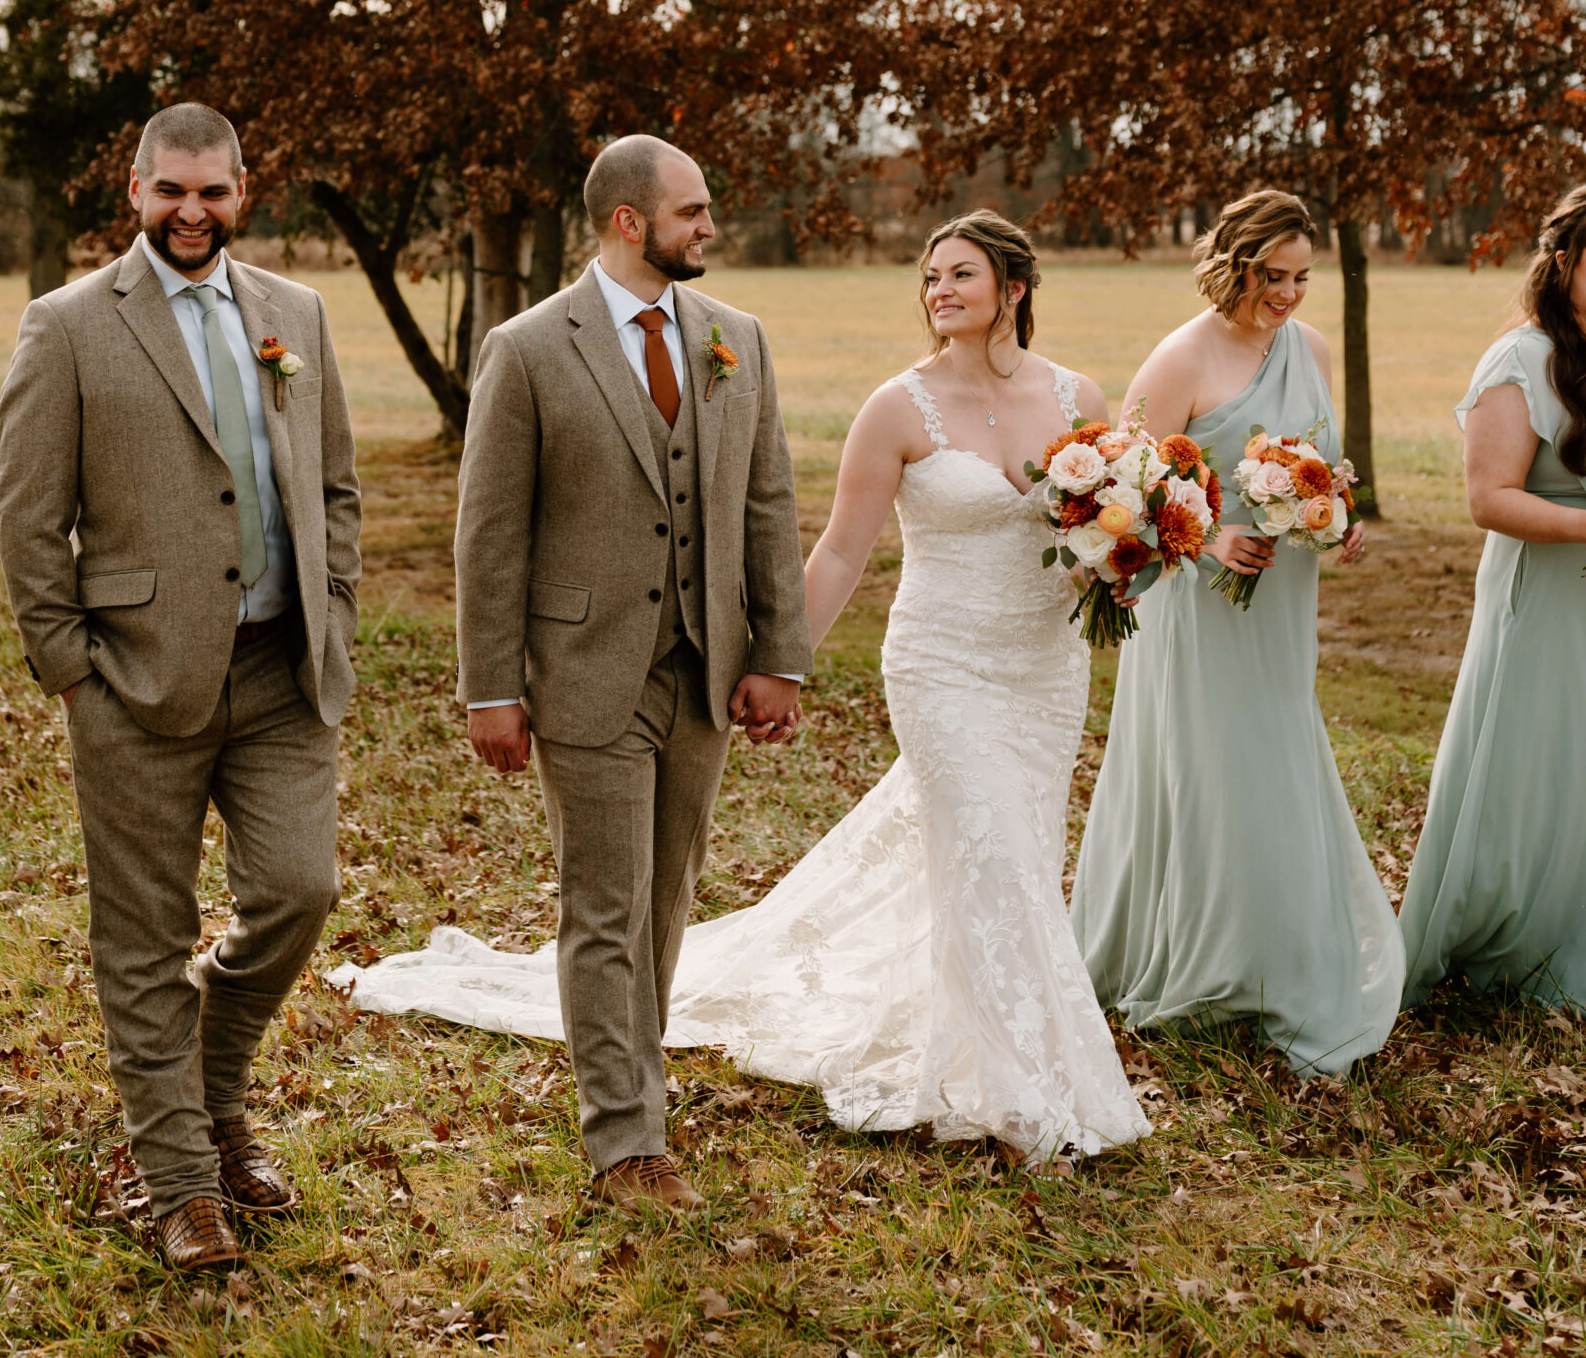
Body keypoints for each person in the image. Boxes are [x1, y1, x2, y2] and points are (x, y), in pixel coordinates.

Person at [341, 208, 1147, 1164]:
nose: (938, 292)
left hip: (1042, 669)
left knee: (1014, 857)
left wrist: (1122, 556)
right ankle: (1022, 1099)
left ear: (1013, 289)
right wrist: (780, 661)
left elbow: (1099, 527)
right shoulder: (899, 406)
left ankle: (983, 1049)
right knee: (994, 855)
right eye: (929, 277)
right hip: (942, 665)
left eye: (960, 275)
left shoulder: (1077, 396)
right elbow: (839, 550)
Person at [0, 103, 362, 1276]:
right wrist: (70, 670)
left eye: (213, 192)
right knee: (141, 938)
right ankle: (183, 1177)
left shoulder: (292, 313)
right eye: (171, 192)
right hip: (133, 682)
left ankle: (206, 1088)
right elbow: (24, 514)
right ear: (136, 192)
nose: (191, 214)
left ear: (244, 190)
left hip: (278, 667)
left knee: (301, 889)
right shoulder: (66, 326)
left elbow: (336, 487)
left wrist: (334, 609)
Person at [446, 136, 813, 1214]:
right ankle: (624, 1143)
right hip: (582, 670)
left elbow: (766, 502)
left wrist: (777, 656)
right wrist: (489, 686)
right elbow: (487, 532)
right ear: (625, 221)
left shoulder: (733, 337)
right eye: (691, 212)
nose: (707, 228)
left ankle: (633, 1096)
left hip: (704, 670)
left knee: (664, 902)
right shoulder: (524, 349)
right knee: (602, 905)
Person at [1071, 187, 1403, 1075]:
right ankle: (1195, 959)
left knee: (1275, 757)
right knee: (1207, 766)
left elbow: (1317, 466)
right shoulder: (1179, 357)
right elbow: (1120, 490)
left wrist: (1336, 518)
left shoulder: (1313, 349)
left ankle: (1274, 957)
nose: (1289, 295)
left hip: (1282, 599)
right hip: (1198, 601)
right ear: (1233, 264)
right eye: (1271, 276)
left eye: (1301, 277)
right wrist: (1210, 532)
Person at [1401, 183, 1586, 1008]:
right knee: (1541, 760)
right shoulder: (1516, 360)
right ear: (1562, 262)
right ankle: (1515, 943)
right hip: (1543, 594)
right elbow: (1489, 499)